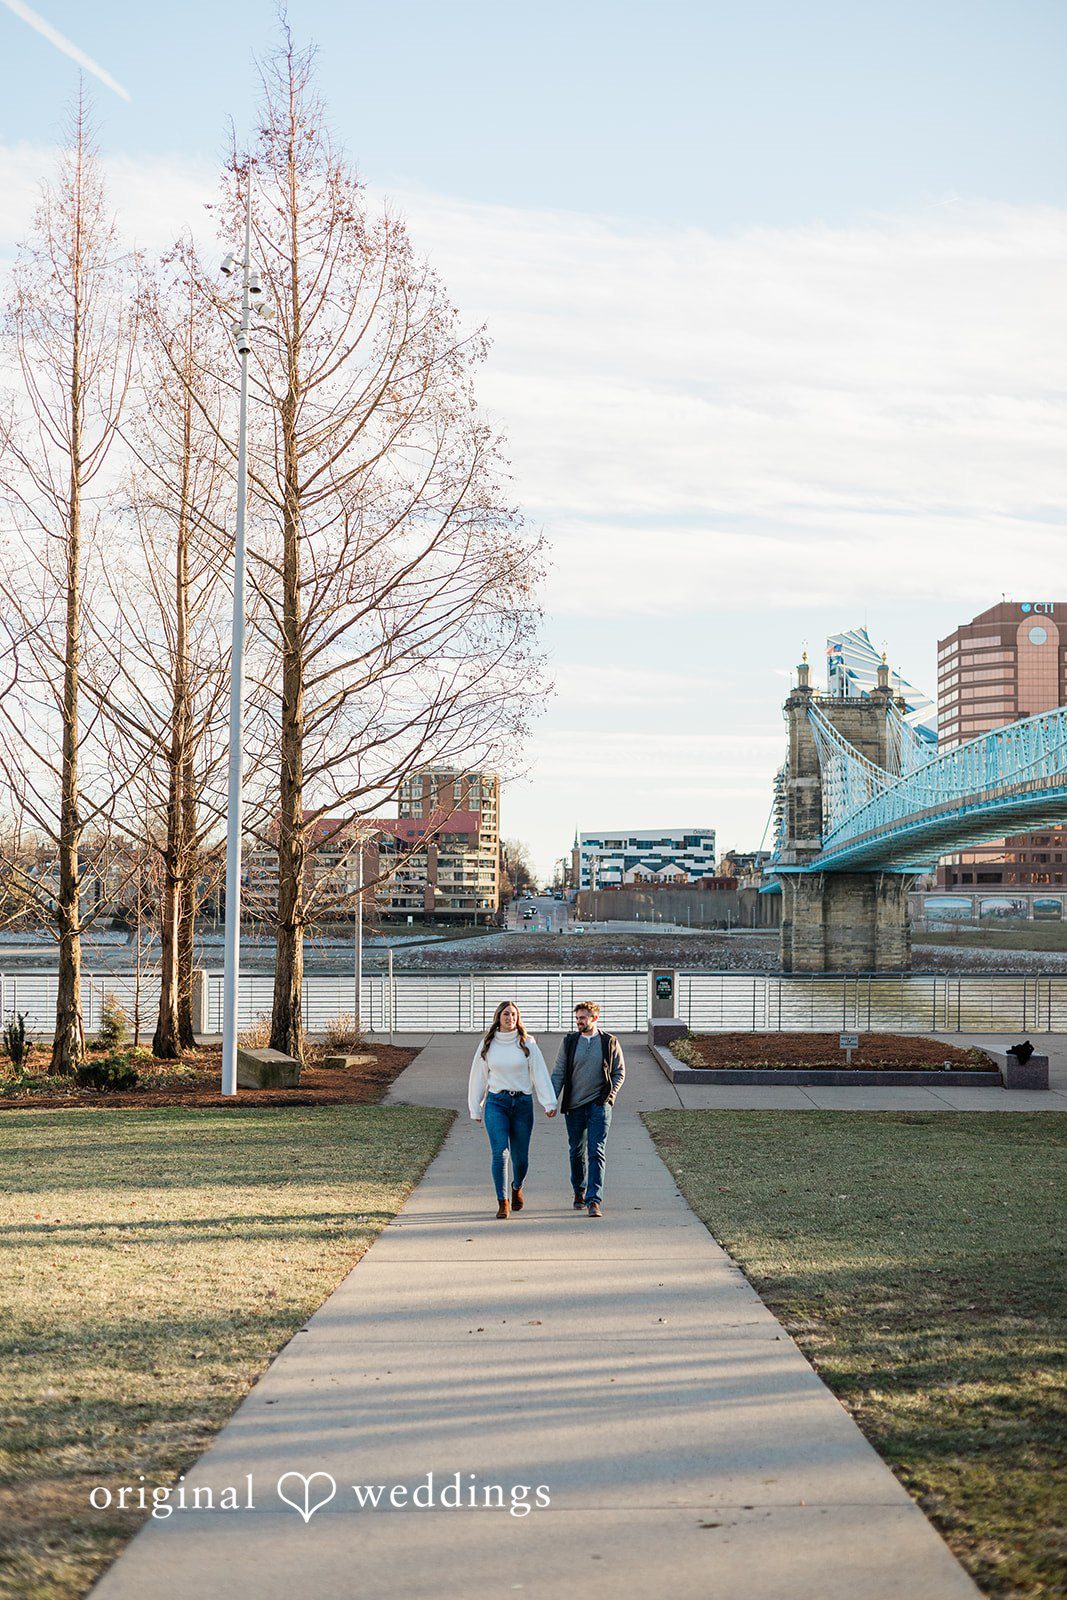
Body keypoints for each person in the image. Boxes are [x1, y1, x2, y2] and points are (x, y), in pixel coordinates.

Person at [469, 1000, 558, 1219]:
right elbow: (478, 1077)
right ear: (499, 1017)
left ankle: (517, 1186)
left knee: (521, 1159)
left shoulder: (527, 1042)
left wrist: (549, 1102)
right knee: (500, 1153)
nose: (511, 1018)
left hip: (522, 1104)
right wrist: (475, 1108)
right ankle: (503, 1202)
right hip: (496, 1103)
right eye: (507, 1014)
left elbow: (539, 1073)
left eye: (514, 1015)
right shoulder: (488, 1044)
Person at [551, 1001, 625, 1218]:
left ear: (594, 1018)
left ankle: (594, 1200)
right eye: (577, 1018)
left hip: (599, 1107)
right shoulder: (570, 1042)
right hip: (574, 1107)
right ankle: (579, 1191)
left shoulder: (609, 1042)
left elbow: (619, 1072)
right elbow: (558, 1073)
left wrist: (609, 1098)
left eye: (583, 1017)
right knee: (576, 1152)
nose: (579, 1021)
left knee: (596, 1151)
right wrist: (551, 1101)